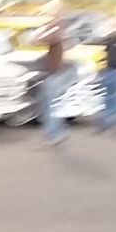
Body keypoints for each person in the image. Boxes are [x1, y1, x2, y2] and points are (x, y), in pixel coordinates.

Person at [35, 18, 71, 147]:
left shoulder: (56, 37)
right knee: (50, 106)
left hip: (54, 76)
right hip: (53, 75)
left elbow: (38, 40)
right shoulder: (58, 39)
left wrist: (46, 27)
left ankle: (53, 135)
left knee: (50, 108)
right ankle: (59, 133)